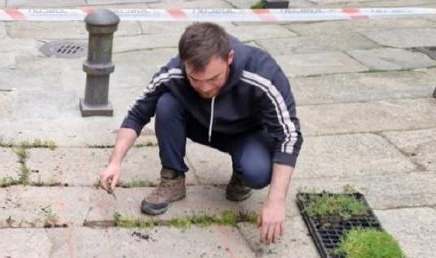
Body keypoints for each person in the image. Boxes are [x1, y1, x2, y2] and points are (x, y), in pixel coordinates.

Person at [99, 22, 302, 244]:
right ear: (184, 62)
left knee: (257, 172)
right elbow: (137, 114)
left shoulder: (263, 73)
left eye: (214, 78)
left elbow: (289, 136)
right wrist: (115, 162)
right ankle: (173, 178)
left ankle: (241, 174)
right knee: (166, 104)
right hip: (201, 126)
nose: (205, 88)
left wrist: (276, 201)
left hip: (247, 134)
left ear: (229, 58)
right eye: (195, 79)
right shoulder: (174, 71)